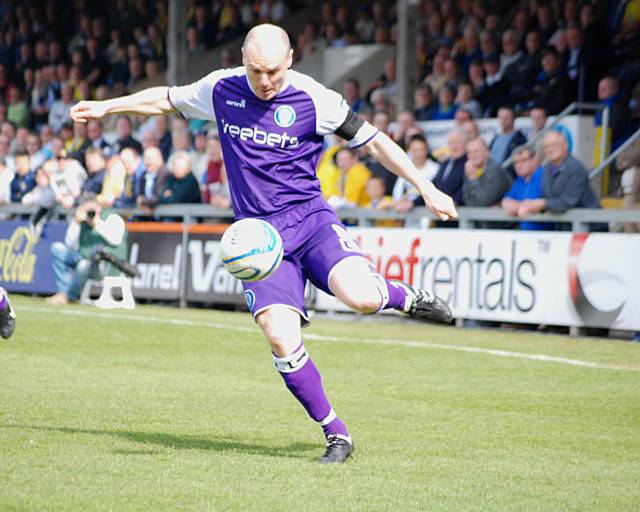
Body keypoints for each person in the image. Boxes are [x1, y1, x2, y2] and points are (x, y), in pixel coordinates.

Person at [70, 23, 457, 465]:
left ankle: (406, 298)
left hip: (311, 220)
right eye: (256, 71)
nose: (266, 81)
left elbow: (374, 143)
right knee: (279, 335)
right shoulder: (221, 89)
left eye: (273, 71)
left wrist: (425, 186)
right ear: (242, 59)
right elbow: (166, 98)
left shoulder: (315, 99)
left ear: (290, 59)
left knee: (363, 297)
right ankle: (336, 434)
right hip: (260, 236)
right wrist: (106, 107)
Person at [48, 195, 127, 305]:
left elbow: (115, 240)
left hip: (106, 265)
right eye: (86, 210)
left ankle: (69, 295)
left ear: (98, 207)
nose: (90, 213)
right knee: (57, 248)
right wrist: (76, 222)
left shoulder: (112, 217)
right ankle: (63, 292)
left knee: (84, 264)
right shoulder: (82, 222)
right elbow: (70, 244)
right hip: (85, 258)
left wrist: (96, 223)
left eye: (92, 209)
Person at [519, 131, 599, 217]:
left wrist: (541, 204)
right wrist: (529, 204)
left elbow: (566, 202)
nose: (550, 149)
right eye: (547, 146)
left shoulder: (575, 168)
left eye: (555, 145)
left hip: (588, 224)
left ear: (565, 145)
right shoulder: (547, 168)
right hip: (566, 225)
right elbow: (544, 196)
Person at [501, 145, 552, 230]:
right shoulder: (520, 180)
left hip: (544, 234)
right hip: (525, 234)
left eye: (523, 160)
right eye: (516, 162)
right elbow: (507, 198)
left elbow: (532, 203)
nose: (519, 165)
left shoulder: (543, 175)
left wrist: (518, 206)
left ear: (533, 160)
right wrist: (506, 203)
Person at [463, 138, 512, 207]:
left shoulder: (495, 170)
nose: (472, 155)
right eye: (469, 153)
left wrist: (473, 179)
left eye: (476, 151)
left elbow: (484, 202)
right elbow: (466, 200)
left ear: (487, 152)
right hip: (476, 215)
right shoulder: (470, 169)